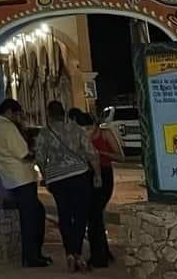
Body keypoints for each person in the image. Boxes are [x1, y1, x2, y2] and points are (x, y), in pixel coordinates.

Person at [35, 101, 101, 273]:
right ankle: (77, 252)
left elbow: (40, 158)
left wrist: (47, 176)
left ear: (49, 114)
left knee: (64, 214)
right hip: (79, 176)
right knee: (80, 215)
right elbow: (91, 153)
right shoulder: (76, 129)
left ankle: (69, 253)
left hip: (57, 179)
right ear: (64, 113)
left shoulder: (45, 133)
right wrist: (98, 175)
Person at [0, 99, 51, 268]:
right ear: (10, 112)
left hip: (10, 179)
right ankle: (31, 257)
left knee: (36, 213)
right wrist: (36, 153)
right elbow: (23, 154)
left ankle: (34, 254)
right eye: (17, 114)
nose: (18, 118)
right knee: (31, 219)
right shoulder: (8, 128)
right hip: (22, 178)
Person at [72, 110, 119, 268]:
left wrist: (99, 153)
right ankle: (102, 252)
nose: (86, 133)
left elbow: (120, 156)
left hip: (104, 174)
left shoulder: (105, 134)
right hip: (88, 174)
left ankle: (99, 256)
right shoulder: (80, 136)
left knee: (94, 215)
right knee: (93, 215)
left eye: (88, 129)